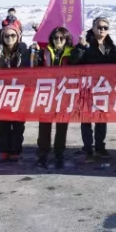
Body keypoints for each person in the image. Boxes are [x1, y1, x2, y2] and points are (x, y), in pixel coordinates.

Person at [72, 17, 116, 162]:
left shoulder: (110, 46)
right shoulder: (85, 43)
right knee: (86, 119)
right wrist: (80, 47)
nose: (102, 30)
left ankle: (100, 147)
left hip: (103, 88)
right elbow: (74, 63)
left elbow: (115, 66)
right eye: (99, 27)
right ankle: (88, 148)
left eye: (105, 27)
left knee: (101, 119)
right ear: (93, 27)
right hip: (86, 88)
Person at [0, 24, 32, 162]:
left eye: (13, 35)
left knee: (18, 125)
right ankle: (3, 149)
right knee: (3, 124)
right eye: (6, 35)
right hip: (2, 94)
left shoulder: (24, 51)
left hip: (20, 93)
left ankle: (15, 149)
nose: (10, 38)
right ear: (2, 37)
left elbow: (32, 67)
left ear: (18, 36)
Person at [35, 27, 75, 169]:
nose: (58, 40)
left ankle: (59, 154)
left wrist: (82, 48)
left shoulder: (72, 53)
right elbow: (34, 68)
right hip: (46, 93)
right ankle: (43, 154)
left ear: (66, 39)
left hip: (64, 94)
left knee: (61, 128)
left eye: (61, 38)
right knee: (44, 127)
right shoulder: (44, 52)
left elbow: (81, 67)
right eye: (55, 37)